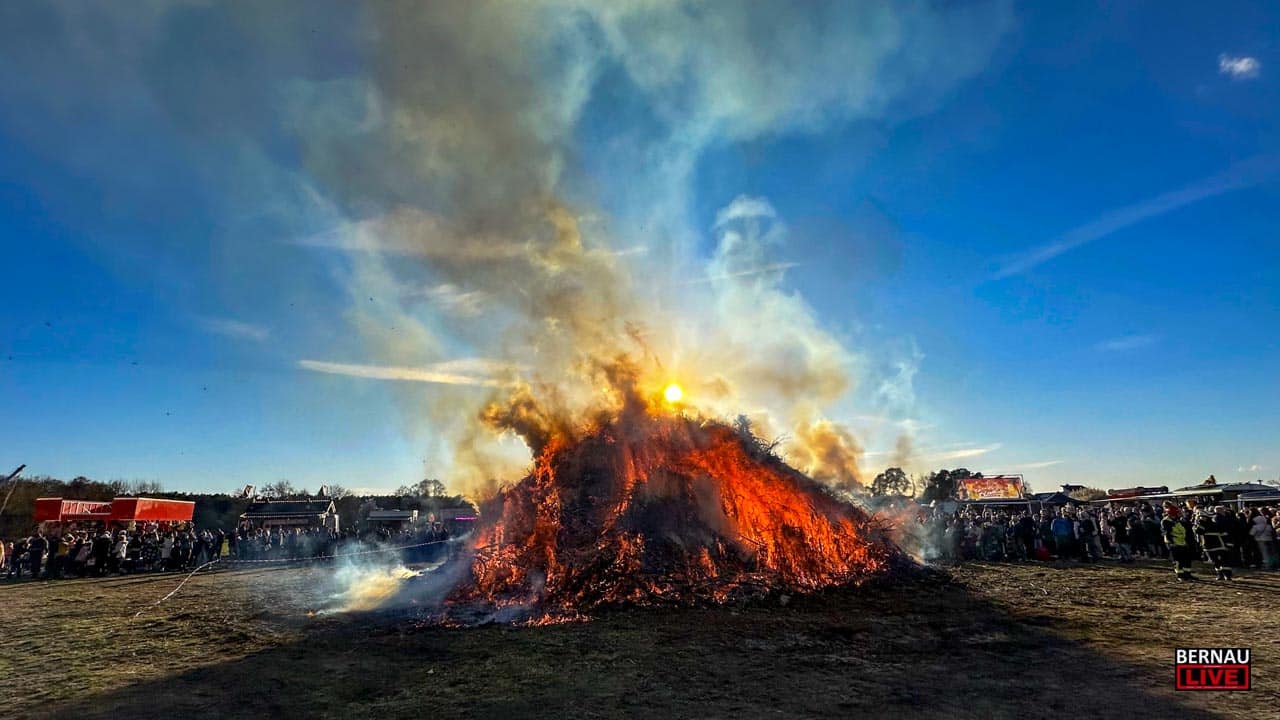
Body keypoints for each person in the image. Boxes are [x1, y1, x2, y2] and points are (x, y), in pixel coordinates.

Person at [1196, 507, 1234, 581]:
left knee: (1223, 561)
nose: (1201, 518)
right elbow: (1198, 531)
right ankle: (1221, 575)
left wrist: (1228, 543)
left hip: (1218, 546)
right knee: (1216, 562)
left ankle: (1227, 575)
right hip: (1210, 546)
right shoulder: (1204, 524)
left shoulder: (1213, 524)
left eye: (1202, 517)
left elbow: (1224, 534)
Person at [1162, 502, 1196, 582]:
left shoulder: (1178, 521)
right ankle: (1180, 575)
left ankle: (1187, 574)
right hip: (1174, 544)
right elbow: (1167, 533)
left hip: (1182, 542)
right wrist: (1171, 543)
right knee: (1178, 560)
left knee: (1187, 559)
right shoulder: (1166, 521)